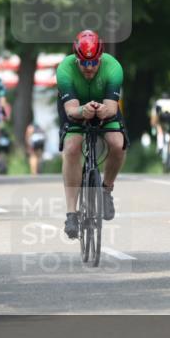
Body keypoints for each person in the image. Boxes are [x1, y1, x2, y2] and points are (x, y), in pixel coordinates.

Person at [57, 30, 126, 239]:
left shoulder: (113, 67)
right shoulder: (64, 70)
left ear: (101, 57)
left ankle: (106, 190)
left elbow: (112, 108)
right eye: (84, 63)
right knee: (71, 148)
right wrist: (82, 111)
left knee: (117, 143)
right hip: (76, 109)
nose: (89, 68)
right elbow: (70, 109)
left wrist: (102, 111)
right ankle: (71, 213)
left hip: (104, 108)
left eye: (94, 62)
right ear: (76, 58)